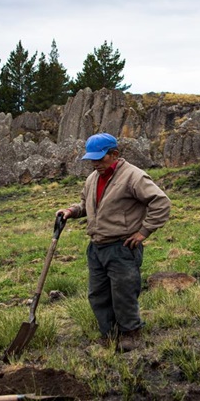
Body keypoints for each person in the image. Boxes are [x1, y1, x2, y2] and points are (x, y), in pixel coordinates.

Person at [56, 133, 171, 352]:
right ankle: (109, 334)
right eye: (92, 159)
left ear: (115, 154)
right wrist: (71, 211)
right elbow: (86, 204)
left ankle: (131, 333)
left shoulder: (133, 176)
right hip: (97, 246)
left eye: (100, 158)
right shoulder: (92, 178)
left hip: (122, 247)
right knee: (98, 294)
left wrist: (143, 232)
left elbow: (161, 202)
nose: (95, 163)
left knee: (123, 292)